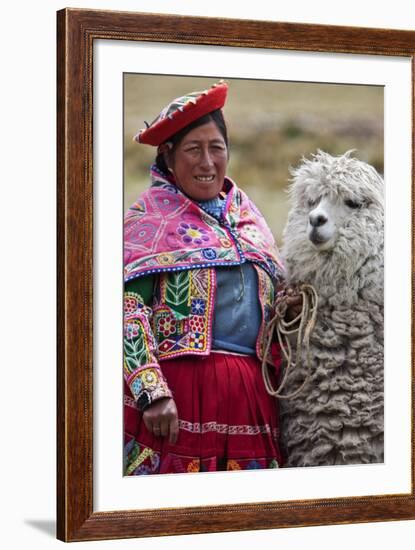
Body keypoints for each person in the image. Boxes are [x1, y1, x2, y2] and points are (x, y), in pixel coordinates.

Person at [123, 81, 296, 475]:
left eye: (216, 148)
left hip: (251, 399)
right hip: (178, 399)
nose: (207, 162)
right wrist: (151, 393)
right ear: (167, 157)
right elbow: (126, 309)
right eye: (192, 149)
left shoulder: (248, 219)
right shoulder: (147, 221)